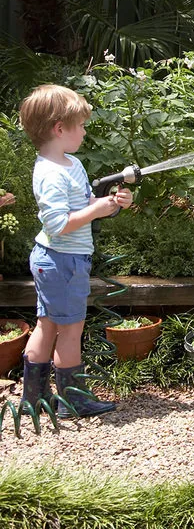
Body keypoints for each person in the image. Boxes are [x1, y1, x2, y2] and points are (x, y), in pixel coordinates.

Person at [18, 84, 132, 418]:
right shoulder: (50, 174)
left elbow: (83, 207)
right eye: (80, 125)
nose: (84, 130)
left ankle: (34, 399)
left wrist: (112, 204)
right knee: (70, 331)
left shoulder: (71, 165)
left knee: (48, 326)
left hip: (56, 260)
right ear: (59, 128)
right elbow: (58, 224)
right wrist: (96, 211)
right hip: (61, 262)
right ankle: (72, 401)